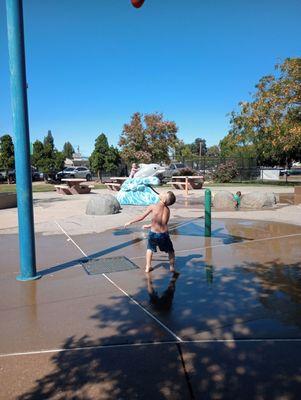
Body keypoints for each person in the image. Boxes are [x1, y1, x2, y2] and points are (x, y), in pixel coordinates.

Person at [124, 191, 176, 273]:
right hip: (164, 234)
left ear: (164, 199)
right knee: (171, 251)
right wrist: (148, 226)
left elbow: (142, 217)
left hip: (153, 234)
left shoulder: (153, 206)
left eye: (164, 193)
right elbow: (163, 223)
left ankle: (148, 266)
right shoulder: (167, 210)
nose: (161, 193)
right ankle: (172, 267)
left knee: (149, 249)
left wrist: (130, 222)